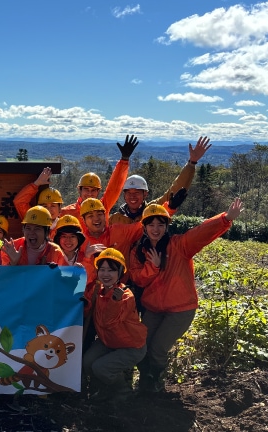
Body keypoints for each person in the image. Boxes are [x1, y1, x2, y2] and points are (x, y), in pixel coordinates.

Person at [129, 198, 243, 393]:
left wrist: (225, 219)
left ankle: (155, 382)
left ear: (166, 226)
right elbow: (138, 279)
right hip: (154, 308)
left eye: (160, 224)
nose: (156, 229)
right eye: (151, 224)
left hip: (180, 309)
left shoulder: (179, 245)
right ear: (144, 227)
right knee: (142, 345)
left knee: (158, 348)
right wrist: (153, 267)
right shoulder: (139, 251)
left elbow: (201, 233)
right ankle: (145, 382)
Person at [82, 248, 147, 402]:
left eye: (111, 270)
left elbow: (109, 322)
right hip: (109, 341)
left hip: (130, 346)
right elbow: (87, 307)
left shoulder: (125, 295)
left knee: (101, 368)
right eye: (102, 269)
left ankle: (122, 391)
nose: (106, 274)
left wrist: (114, 303)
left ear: (119, 273)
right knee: (87, 362)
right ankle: (103, 390)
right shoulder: (98, 290)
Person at [109, 137, 212, 226]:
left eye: (136, 193)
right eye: (129, 193)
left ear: (145, 194)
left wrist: (192, 163)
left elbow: (174, 191)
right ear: (124, 195)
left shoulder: (154, 210)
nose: (132, 196)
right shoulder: (114, 219)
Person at [61, 134, 139, 221]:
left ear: (98, 192)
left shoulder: (103, 207)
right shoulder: (66, 213)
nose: (90, 194)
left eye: (93, 190)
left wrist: (124, 160)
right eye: (86, 189)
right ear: (79, 190)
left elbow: (115, 187)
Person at [3, 206, 68, 266]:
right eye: (28, 228)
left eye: (37, 229)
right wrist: (13, 263)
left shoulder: (55, 252)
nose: (32, 233)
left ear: (46, 232)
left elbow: (65, 275)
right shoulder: (12, 248)